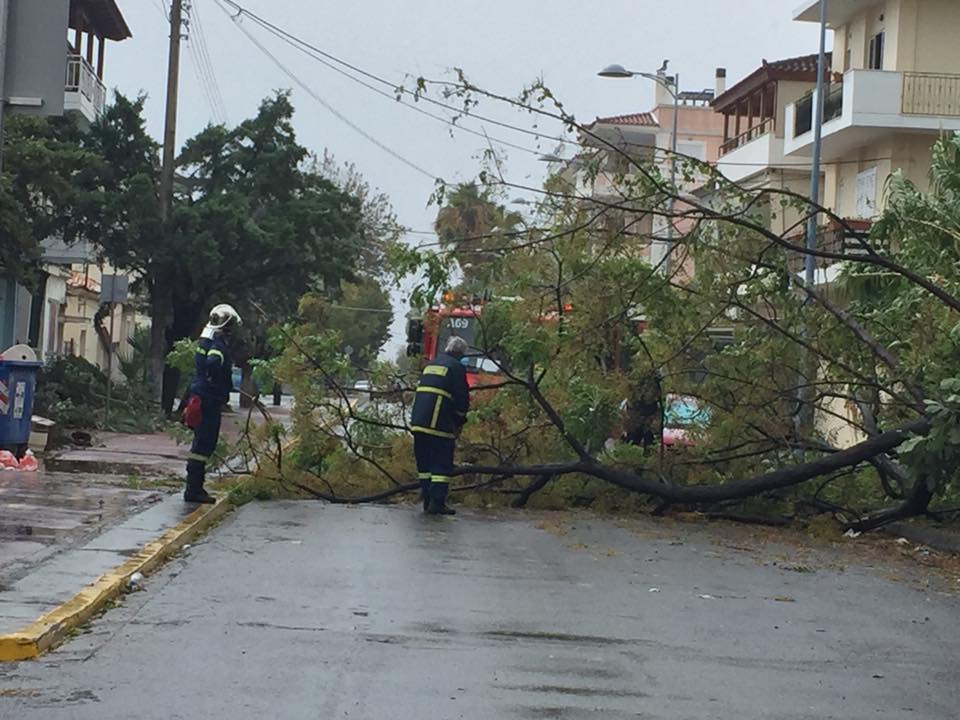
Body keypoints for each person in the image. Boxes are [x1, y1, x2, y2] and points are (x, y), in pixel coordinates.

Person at [184, 304, 241, 504]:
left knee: (200, 443)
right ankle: (194, 490)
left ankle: (194, 487)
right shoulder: (217, 343)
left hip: (200, 396)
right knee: (204, 444)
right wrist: (217, 383)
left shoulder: (204, 339)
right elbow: (213, 363)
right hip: (208, 399)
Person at [410, 336, 470, 515]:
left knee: (424, 464)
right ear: (460, 354)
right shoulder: (456, 367)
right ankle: (437, 503)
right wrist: (459, 420)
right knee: (441, 465)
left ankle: (427, 500)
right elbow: (462, 399)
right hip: (438, 423)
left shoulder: (432, 364)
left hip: (418, 423)